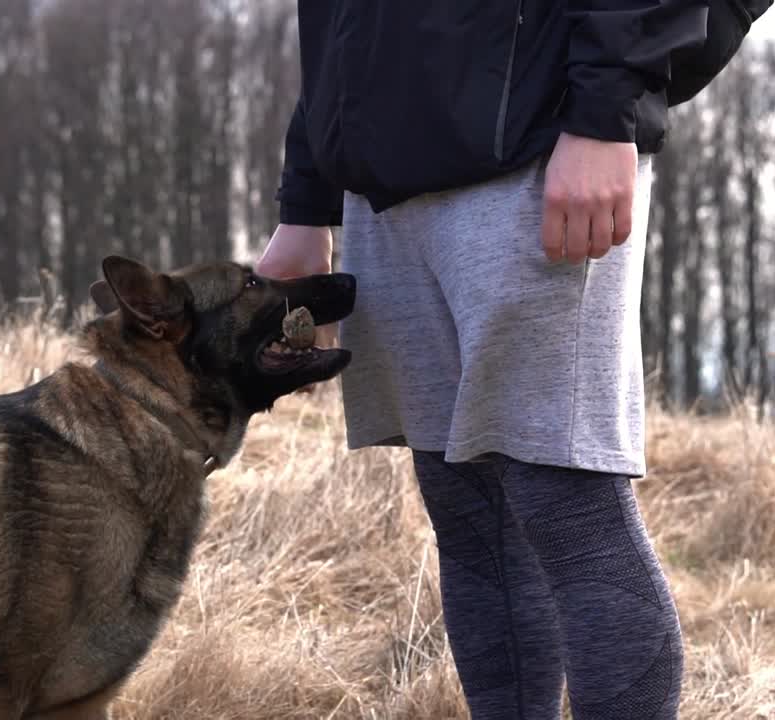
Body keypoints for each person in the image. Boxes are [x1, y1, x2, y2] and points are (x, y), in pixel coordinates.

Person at [255, 2, 711, 718]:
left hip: (539, 150)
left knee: (566, 503)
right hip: (381, 179)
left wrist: (604, 109)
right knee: (468, 519)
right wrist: (306, 198)